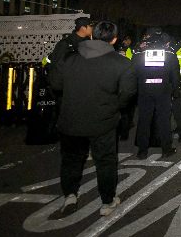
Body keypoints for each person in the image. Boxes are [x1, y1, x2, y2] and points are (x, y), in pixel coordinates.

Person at [49, 21, 137, 216]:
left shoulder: (69, 58)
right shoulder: (122, 62)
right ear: (114, 40)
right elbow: (129, 92)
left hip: (71, 118)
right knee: (105, 161)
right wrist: (114, 106)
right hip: (103, 120)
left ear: (91, 36)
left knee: (71, 160)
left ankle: (70, 195)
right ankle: (107, 202)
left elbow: (55, 84)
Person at [132, 27, 180, 160]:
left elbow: (132, 74)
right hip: (163, 90)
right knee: (164, 121)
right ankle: (166, 149)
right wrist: (175, 91)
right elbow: (175, 76)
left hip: (144, 90)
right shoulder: (170, 55)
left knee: (144, 120)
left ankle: (142, 151)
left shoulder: (139, 55)